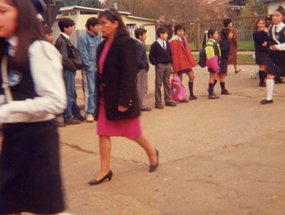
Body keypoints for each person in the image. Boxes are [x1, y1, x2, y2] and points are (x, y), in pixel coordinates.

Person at [0, 0, 68, 214]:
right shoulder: (6, 50)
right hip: (14, 137)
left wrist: (8, 110)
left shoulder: (39, 49)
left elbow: (56, 101)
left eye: (2, 11)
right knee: (8, 204)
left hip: (38, 140)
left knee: (45, 207)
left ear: (23, 14)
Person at [88, 8, 159, 185]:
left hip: (120, 97)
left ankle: (151, 152)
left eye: (104, 23)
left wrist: (125, 99)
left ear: (115, 24)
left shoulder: (126, 43)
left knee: (132, 133)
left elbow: (129, 73)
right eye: (99, 23)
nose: (100, 27)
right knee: (102, 132)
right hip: (105, 97)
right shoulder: (102, 45)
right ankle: (105, 170)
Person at [55, 18, 85, 125]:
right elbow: (64, 58)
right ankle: (67, 116)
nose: (73, 28)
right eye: (71, 26)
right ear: (65, 28)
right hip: (67, 71)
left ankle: (76, 114)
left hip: (69, 70)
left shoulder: (65, 39)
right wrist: (73, 67)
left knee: (72, 93)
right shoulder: (62, 40)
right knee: (69, 94)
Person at [78, 17, 101, 122]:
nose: (99, 27)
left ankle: (96, 111)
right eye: (97, 25)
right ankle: (89, 112)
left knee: (96, 90)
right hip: (89, 69)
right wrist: (90, 67)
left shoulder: (98, 38)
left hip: (97, 67)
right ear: (91, 27)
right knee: (90, 91)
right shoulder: (83, 38)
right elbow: (83, 55)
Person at [261, 5, 285, 104]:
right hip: (273, 56)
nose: (274, 17)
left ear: (283, 18)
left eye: (277, 15)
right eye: (273, 15)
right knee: (269, 75)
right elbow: (270, 40)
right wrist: (267, 44)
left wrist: (278, 47)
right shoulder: (270, 28)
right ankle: (269, 98)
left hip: (283, 56)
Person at [149, 27, 176, 109]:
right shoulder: (155, 45)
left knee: (167, 83)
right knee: (158, 84)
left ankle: (168, 100)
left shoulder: (167, 43)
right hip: (160, 65)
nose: (167, 35)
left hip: (168, 65)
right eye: (166, 33)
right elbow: (151, 56)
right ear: (161, 34)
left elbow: (170, 53)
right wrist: (156, 63)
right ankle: (158, 102)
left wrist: (170, 62)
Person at [170, 24, 198, 101]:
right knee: (179, 80)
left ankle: (191, 94)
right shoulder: (173, 40)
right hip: (179, 63)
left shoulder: (184, 39)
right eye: (179, 31)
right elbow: (174, 54)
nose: (181, 32)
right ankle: (180, 96)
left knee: (192, 77)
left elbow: (187, 51)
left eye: (182, 31)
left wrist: (190, 62)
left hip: (185, 62)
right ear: (176, 31)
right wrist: (175, 67)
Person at [134, 28, 151, 111]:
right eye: (144, 35)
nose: (146, 36)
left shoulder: (134, 43)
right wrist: (145, 66)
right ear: (140, 36)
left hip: (137, 69)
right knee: (142, 87)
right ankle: (142, 105)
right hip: (141, 69)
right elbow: (138, 59)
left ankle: (138, 104)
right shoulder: (139, 46)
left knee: (138, 86)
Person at [204, 29, 221, 99]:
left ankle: (211, 91)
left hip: (214, 64)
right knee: (212, 78)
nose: (217, 35)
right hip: (213, 64)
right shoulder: (210, 45)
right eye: (215, 34)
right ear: (211, 35)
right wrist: (216, 67)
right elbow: (211, 58)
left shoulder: (214, 43)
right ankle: (210, 93)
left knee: (213, 77)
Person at [215, 28, 233, 95]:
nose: (232, 34)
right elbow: (223, 49)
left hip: (220, 59)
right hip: (223, 60)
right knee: (222, 75)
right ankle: (223, 89)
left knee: (218, 75)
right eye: (230, 33)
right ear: (227, 35)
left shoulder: (220, 42)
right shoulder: (227, 42)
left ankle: (211, 87)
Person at [253, 19, 269, 87]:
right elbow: (261, 40)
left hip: (266, 51)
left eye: (263, 23)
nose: (262, 25)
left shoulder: (264, 32)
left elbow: (269, 40)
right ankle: (261, 82)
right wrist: (265, 34)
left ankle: (264, 80)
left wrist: (267, 41)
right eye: (260, 23)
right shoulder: (256, 33)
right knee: (262, 66)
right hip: (260, 51)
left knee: (265, 66)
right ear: (257, 24)